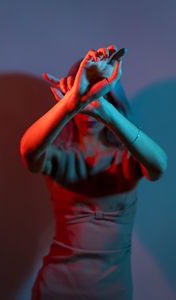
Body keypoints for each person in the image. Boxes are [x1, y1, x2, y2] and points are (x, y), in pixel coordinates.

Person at [20, 45, 168, 300]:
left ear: (112, 100)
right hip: (55, 288)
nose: (88, 105)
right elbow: (28, 151)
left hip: (112, 291)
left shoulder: (127, 160)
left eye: (96, 95)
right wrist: (71, 103)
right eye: (84, 96)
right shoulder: (60, 156)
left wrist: (103, 110)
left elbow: (159, 165)